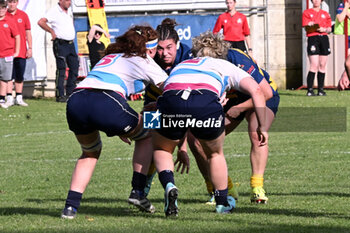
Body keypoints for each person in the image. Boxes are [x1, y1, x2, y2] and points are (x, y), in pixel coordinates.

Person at [153, 31, 268, 216]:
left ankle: (169, 184)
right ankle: (222, 203)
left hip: (172, 100)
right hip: (205, 103)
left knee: (162, 149)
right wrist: (262, 126)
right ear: (222, 52)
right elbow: (257, 90)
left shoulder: (182, 64)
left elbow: (169, 91)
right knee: (215, 154)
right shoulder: (225, 65)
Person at [60, 25, 168, 219]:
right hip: (106, 101)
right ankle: (138, 191)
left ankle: (70, 207)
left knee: (90, 152)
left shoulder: (110, 57)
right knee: (150, 130)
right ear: (150, 49)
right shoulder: (142, 59)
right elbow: (171, 88)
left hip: (76, 100)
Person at [187, 45, 279, 205]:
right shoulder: (193, 65)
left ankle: (257, 187)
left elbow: (265, 92)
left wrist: (240, 108)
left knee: (256, 131)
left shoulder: (237, 59)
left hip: (260, 95)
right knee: (197, 139)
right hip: (233, 99)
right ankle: (222, 189)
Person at [127, 18, 193, 207]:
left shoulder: (188, 58)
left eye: (169, 48)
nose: (164, 53)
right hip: (154, 103)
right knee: (148, 139)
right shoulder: (151, 55)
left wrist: (183, 147)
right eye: (160, 48)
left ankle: (219, 190)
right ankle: (140, 188)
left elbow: (186, 107)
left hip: (186, 106)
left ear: (177, 45)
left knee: (199, 143)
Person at [38, 0, 79, 103]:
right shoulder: (54, 11)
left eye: (70, 0)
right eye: (66, 1)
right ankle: (60, 95)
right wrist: (51, 31)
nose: (69, 2)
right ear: (60, 1)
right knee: (61, 69)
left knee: (74, 68)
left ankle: (70, 93)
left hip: (70, 44)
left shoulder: (69, 10)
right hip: (60, 44)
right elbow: (41, 22)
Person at [3, 0, 32, 107]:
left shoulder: (23, 15)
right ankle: (9, 97)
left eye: (14, 2)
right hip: (7, 51)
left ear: (17, 3)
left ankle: (19, 97)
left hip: (21, 51)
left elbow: (28, 32)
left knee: (19, 75)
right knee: (8, 75)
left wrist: (30, 48)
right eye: (10, 2)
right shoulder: (3, 15)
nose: (12, 4)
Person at [302, 0, 331, 96]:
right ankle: (310, 90)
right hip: (313, 38)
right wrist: (310, 25)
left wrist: (325, 29)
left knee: (322, 64)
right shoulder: (307, 12)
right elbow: (305, 26)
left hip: (324, 38)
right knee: (314, 64)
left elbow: (329, 28)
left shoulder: (325, 14)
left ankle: (320, 90)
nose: (316, 1)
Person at [0, 0, 20, 109]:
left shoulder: (10, 21)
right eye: (0, 8)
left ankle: (2, 99)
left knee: (5, 78)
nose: (2, 10)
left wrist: (16, 51)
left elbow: (17, 36)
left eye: (3, 8)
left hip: (7, 54)